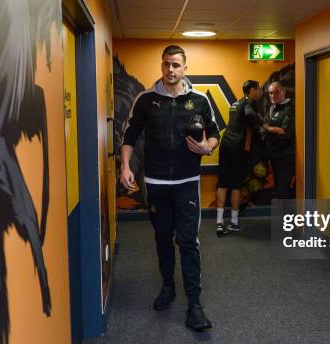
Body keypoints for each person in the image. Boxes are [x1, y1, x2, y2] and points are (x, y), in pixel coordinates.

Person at [119, 45, 219, 331]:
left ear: (185, 68)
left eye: (176, 65)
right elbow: (130, 135)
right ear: (161, 66)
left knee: (188, 242)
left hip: (187, 183)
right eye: (166, 65)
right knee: (163, 239)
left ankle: (195, 305)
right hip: (157, 183)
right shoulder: (146, 100)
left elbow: (213, 134)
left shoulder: (199, 100)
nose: (171, 70)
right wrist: (125, 167)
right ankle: (167, 287)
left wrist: (206, 148)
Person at [215, 80, 264, 236]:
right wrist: (265, 124)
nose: (260, 91)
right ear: (252, 91)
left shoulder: (235, 104)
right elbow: (249, 114)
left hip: (225, 144)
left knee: (222, 184)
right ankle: (234, 223)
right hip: (237, 147)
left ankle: (219, 223)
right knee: (236, 185)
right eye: (259, 89)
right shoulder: (250, 102)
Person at [262, 82, 295, 199]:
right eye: (271, 93)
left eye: (276, 92)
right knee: (278, 190)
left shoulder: (289, 109)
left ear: (283, 92)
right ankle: (283, 216)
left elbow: (285, 131)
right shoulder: (273, 108)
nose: (273, 95)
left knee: (283, 190)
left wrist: (267, 127)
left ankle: (287, 217)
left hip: (285, 157)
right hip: (274, 156)